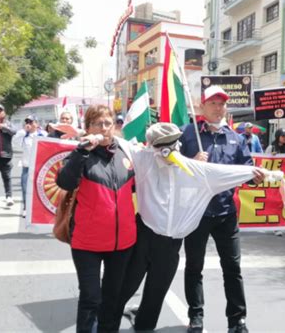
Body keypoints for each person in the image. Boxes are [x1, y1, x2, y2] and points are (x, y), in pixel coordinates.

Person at [117, 122, 273, 331]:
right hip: (143, 235)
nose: (168, 152)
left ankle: (144, 325)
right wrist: (91, 137)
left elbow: (229, 172)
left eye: (172, 145)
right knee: (124, 286)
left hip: (171, 244)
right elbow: (117, 142)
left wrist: (255, 173)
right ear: (151, 147)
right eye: (161, 146)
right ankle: (103, 323)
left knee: (156, 292)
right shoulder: (143, 159)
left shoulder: (195, 170)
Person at [179, 85, 266, 333]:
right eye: (213, 103)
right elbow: (171, 170)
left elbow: (246, 170)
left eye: (222, 104)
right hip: (196, 212)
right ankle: (196, 316)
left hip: (226, 213)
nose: (218, 108)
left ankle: (237, 320)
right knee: (194, 267)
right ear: (202, 106)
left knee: (233, 267)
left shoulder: (236, 138)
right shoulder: (188, 134)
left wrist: (255, 177)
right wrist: (190, 163)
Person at [56, 105, 136, 333]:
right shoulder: (81, 154)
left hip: (122, 243)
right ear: (88, 127)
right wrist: (81, 152)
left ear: (114, 126)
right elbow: (65, 182)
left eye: (108, 123)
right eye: (98, 123)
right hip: (87, 242)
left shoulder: (125, 153)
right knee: (91, 298)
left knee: (112, 299)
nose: (104, 128)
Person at [12, 115, 47, 217]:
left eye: (31, 122)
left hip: (40, 168)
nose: (29, 124)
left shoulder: (43, 134)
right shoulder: (24, 136)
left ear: (37, 123)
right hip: (27, 168)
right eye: (27, 122)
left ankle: (39, 209)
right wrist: (23, 130)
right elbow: (14, 142)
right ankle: (26, 208)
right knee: (25, 188)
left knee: (40, 189)